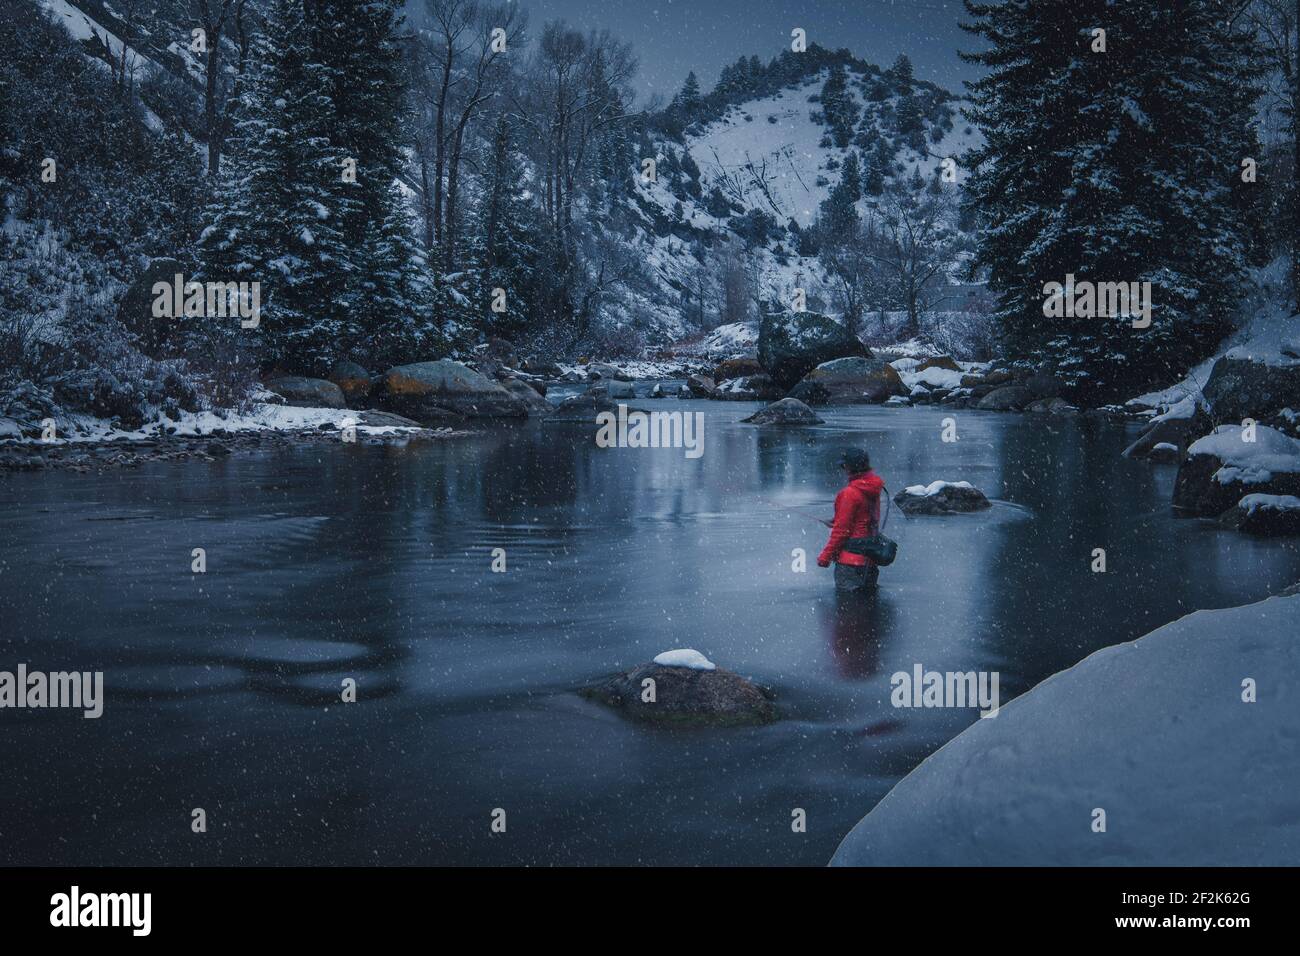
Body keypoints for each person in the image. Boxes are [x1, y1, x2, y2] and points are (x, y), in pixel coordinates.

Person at [817, 448, 885, 593]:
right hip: (870, 560)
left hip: (850, 564)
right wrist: (837, 519)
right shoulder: (873, 488)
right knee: (869, 610)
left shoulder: (849, 494)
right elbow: (865, 519)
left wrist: (825, 557)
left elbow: (841, 532)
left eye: (844, 465)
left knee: (848, 611)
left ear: (848, 467)